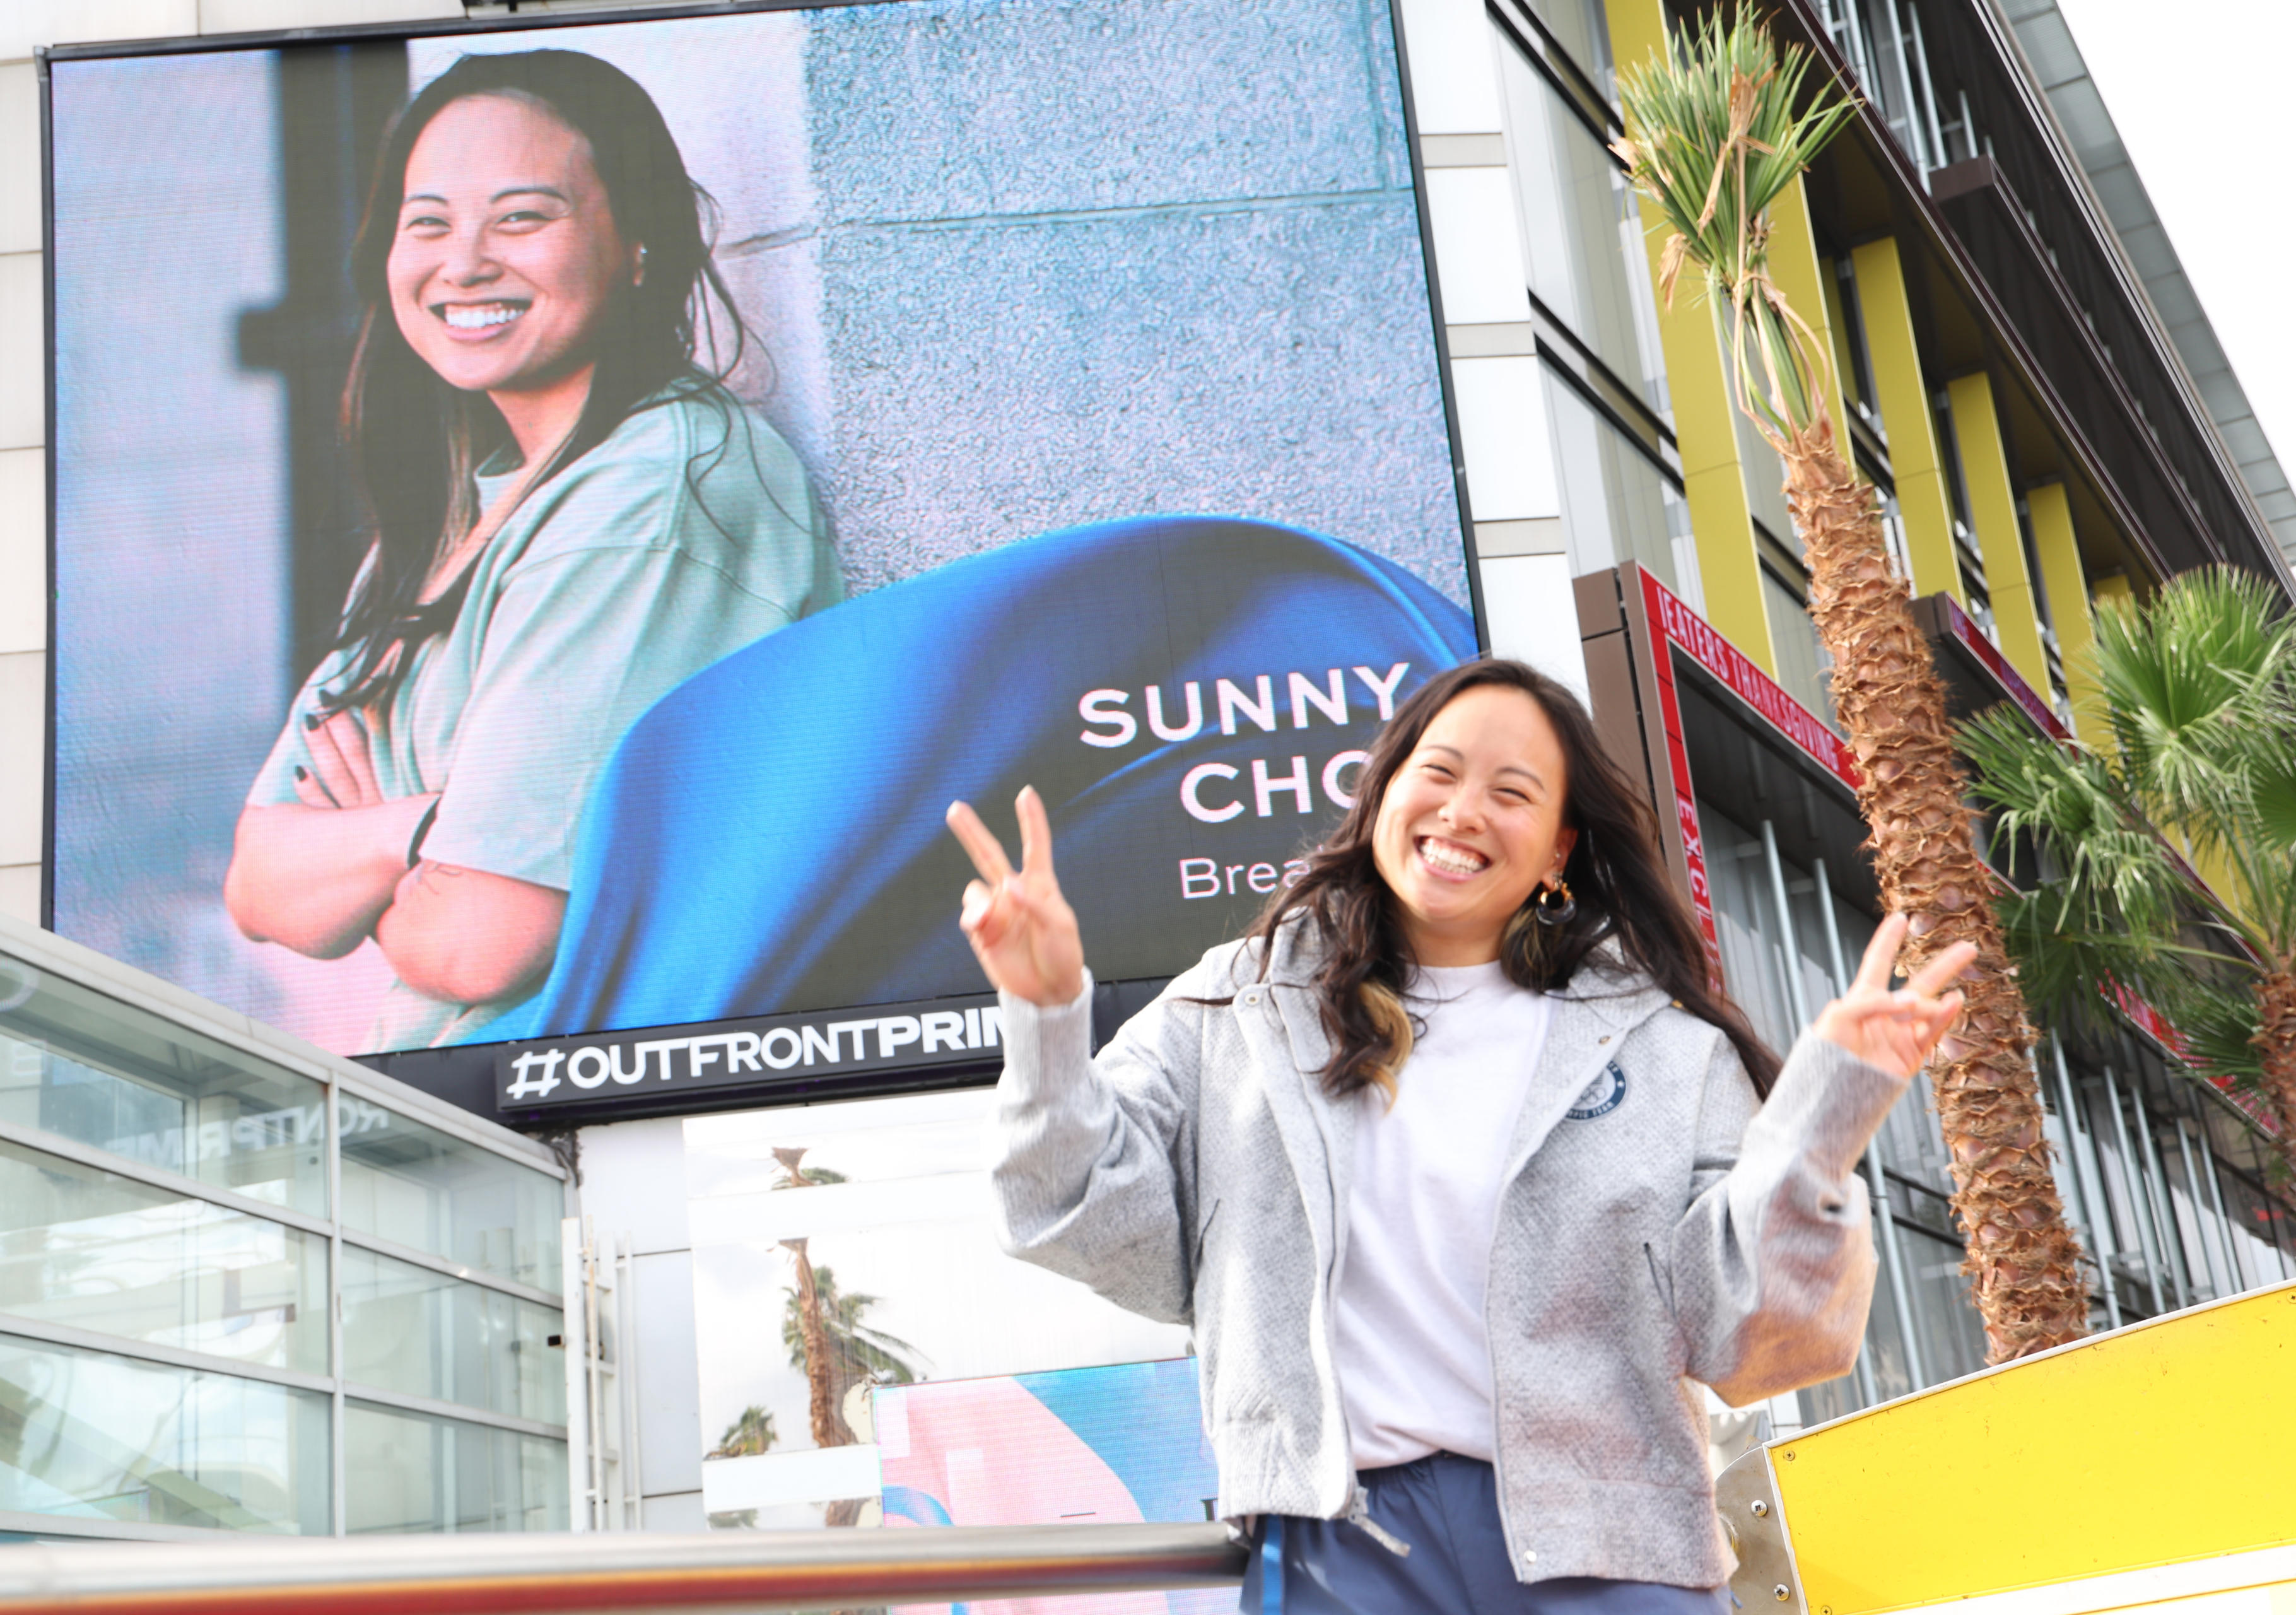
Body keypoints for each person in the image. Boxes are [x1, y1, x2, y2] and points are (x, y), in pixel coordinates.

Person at [946, 658, 1973, 1615]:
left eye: (1513, 793)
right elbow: (1071, 1213)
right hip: (1337, 1554)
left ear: (1559, 850)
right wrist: (1044, 1015)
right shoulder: (1233, 1009)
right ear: (1384, 791)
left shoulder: (1664, 1049)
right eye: (1437, 772)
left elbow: (1755, 1338)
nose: (1463, 811)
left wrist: (1826, 1109)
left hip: (1611, 1553)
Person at [225, 50, 842, 1049]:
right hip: (459, 1107)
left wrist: (375, 846)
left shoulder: (655, 490)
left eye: (522, 216)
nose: (463, 261)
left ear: (638, 243)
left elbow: (480, 940)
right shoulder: (440, 529)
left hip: (611, 1109)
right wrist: (430, 831)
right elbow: (259, 884)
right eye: (427, 222)